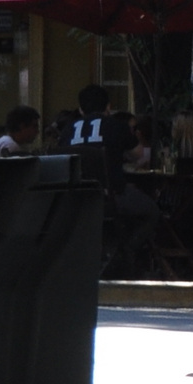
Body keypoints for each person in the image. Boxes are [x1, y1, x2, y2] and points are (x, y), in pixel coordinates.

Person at [56, 84, 157, 274]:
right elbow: (139, 155)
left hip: (75, 200)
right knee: (152, 212)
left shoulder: (68, 130)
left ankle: (108, 253)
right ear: (108, 107)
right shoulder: (116, 126)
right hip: (111, 196)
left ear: (80, 109)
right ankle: (124, 252)